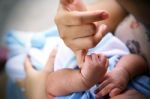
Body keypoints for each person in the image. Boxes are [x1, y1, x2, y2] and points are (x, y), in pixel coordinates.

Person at [22, 0, 150, 99]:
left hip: (64, 65)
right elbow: (141, 61)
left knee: (16, 67)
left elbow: (50, 85)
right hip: (101, 44)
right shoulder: (143, 88)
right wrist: (124, 72)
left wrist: (83, 80)